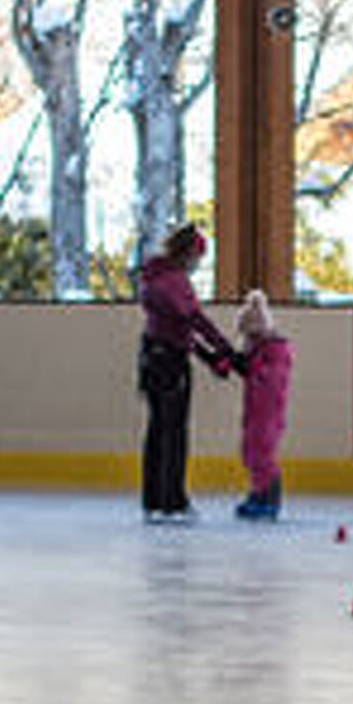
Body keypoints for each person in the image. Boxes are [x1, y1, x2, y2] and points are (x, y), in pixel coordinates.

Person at [135, 222, 234, 520]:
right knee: (174, 432)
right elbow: (194, 320)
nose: (197, 265)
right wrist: (224, 350)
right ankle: (173, 503)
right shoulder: (175, 281)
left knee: (157, 429)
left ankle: (152, 502)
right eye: (198, 258)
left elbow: (177, 328)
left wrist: (209, 357)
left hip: (150, 358)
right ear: (189, 253)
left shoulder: (153, 276)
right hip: (170, 363)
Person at [219, 288, 295, 521]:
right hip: (255, 410)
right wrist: (232, 363)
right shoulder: (258, 349)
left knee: (263, 454)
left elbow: (271, 379)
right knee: (250, 452)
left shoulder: (277, 350)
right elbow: (249, 370)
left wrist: (248, 367)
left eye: (249, 337)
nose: (247, 343)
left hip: (269, 413)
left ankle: (269, 499)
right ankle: (257, 493)